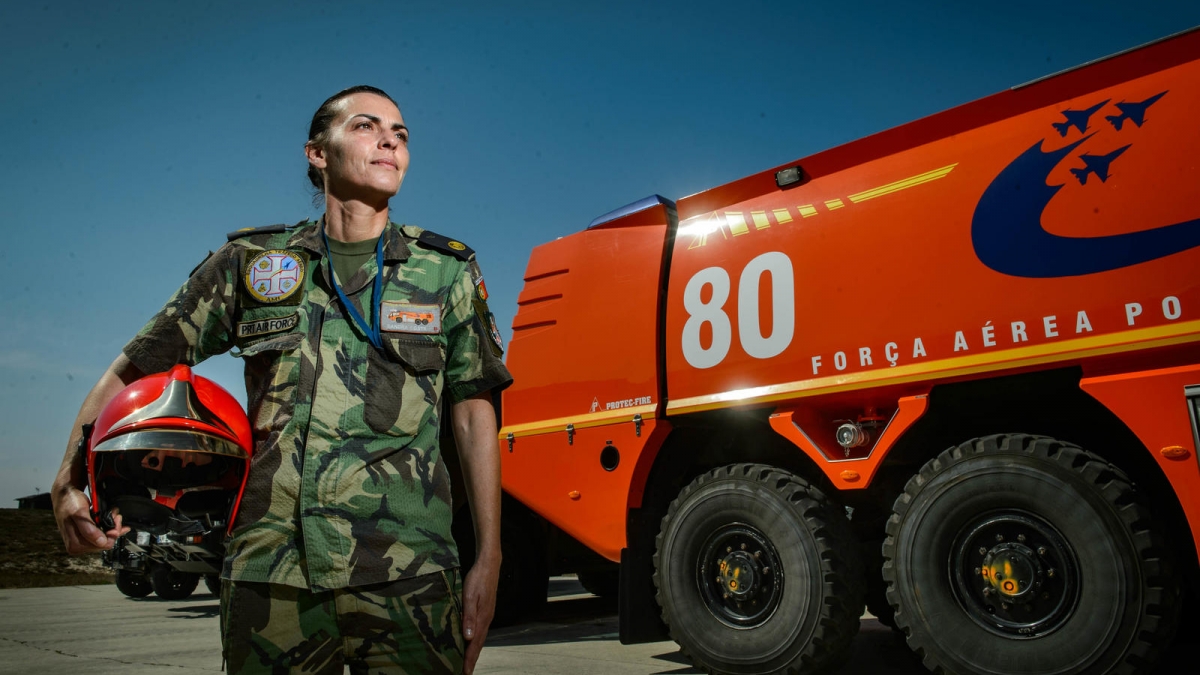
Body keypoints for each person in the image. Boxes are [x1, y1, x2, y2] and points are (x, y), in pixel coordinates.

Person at [51, 84, 512, 675]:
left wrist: (489, 559)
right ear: (317, 153)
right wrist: (68, 481)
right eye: (367, 127)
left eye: (400, 135)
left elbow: (474, 413)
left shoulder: (443, 270)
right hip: (271, 576)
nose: (390, 141)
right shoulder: (253, 265)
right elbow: (134, 365)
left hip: (410, 573)